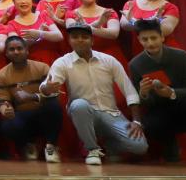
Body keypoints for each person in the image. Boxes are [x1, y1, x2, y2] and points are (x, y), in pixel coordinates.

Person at [41, 21, 147, 165]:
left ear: (92, 40)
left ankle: (110, 146)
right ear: (69, 41)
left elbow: (129, 91)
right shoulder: (62, 62)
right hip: (83, 113)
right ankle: (92, 150)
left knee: (140, 147)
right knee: (79, 105)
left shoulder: (109, 60)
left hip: (111, 113)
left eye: (84, 37)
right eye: (75, 37)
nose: (79, 40)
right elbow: (45, 87)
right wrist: (47, 88)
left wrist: (136, 121)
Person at [129, 19, 186, 165]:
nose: (150, 43)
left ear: (162, 37)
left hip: (183, 103)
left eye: (154, 38)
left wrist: (171, 92)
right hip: (158, 108)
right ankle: (170, 146)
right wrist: (144, 93)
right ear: (139, 40)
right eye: (145, 39)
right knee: (150, 123)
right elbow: (144, 103)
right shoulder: (135, 64)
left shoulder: (181, 56)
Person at [0, 35, 62, 163]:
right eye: (12, 49)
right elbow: (3, 101)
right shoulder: (1, 75)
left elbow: (55, 95)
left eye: (19, 48)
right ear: (6, 53)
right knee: (7, 125)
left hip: (43, 113)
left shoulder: (42, 67)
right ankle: (28, 145)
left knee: (54, 106)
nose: (16, 52)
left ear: (27, 50)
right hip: (22, 115)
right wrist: (6, 110)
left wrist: (31, 97)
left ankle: (51, 146)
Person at [64, 0, 126, 65]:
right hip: (83, 59)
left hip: (110, 57)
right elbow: (75, 34)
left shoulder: (108, 12)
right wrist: (98, 23)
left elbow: (114, 34)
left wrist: (87, 27)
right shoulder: (71, 14)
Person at [0, 0, 63, 66]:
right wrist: (35, 37)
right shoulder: (12, 24)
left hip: (53, 63)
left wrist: (40, 34)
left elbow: (59, 36)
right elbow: (17, 47)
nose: (23, 1)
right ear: (13, 1)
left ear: (32, 0)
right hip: (30, 66)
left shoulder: (43, 16)